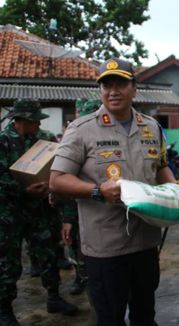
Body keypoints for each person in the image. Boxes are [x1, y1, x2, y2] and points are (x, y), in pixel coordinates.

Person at [49, 58, 176, 325]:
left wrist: (174, 191)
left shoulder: (151, 127)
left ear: (134, 88)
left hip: (145, 241)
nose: (113, 91)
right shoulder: (82, 129)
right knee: (110, 318)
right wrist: (97, 190)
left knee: (145, 314)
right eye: (107, 85)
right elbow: (57, 180)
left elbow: (161, 166)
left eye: (121, 83)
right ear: (100, 90)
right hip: (106, 246)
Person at [0, 99, 78, 325]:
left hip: (40, 211)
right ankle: (5, 310)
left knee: (49, 254)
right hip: (9, 213)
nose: (39, 126)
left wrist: (49, 186)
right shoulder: (3, 142)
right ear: (22, 121)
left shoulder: (43, 140)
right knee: (8, 263)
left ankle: (54, 297)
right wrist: (23, 190)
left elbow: (57, 170)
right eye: (35, 122)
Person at [59, 98, 101, 295]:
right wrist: (67, 218)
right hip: (76, 206)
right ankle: (81, 276)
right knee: (76, 244)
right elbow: (63, 181)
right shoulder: (72, 137)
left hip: (103, 211)